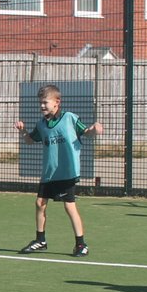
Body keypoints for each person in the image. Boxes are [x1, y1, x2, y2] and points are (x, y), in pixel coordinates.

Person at [15, 83, 103, 257]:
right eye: (40, 102)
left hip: (66, 172)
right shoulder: (42, 124)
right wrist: (23, 131)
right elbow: (30, 141)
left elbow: (86, 131)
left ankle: (81, 244)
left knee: (69, 206)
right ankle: (40, 240)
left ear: (57, 102)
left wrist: (94, 129)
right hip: (49, 173)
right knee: (40, 203)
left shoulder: (69, 118)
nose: (42, 106)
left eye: (45, 102)